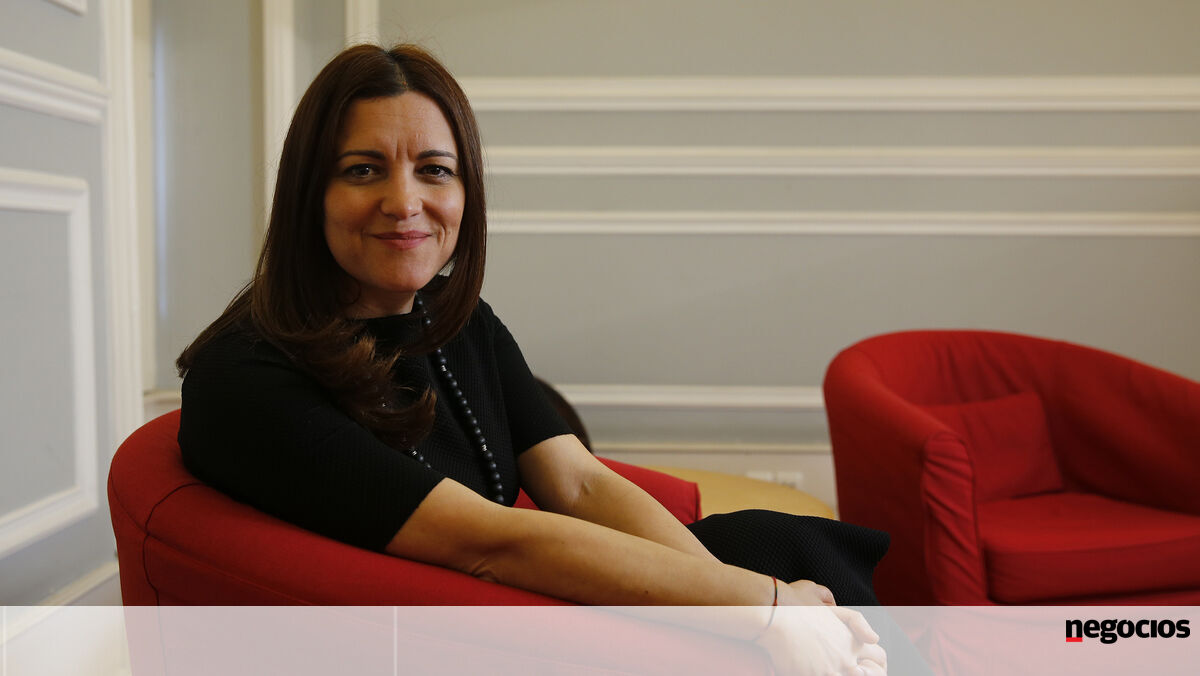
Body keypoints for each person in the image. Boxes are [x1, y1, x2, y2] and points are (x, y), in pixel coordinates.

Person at [176, 43, 888, 674]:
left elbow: (579, 484)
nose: (404, 201)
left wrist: (754, 601)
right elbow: (490, 544)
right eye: (363, 170)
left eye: (434, 170)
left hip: (521, 600)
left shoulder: (458, 320)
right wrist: (761, 613)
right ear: (309, 194)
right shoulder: (247, 377)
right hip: (456, 641)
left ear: (466, 193)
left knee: (794, 550)